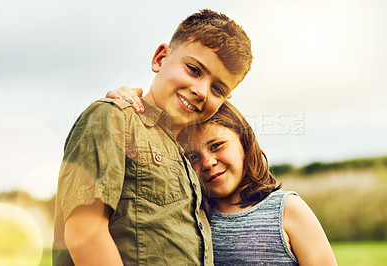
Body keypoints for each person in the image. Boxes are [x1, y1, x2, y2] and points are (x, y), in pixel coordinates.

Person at [53, 9, 253, 266]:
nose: (201, 91)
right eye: (193, 70)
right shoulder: (114, 118)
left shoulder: (186, 158)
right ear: (160, 58)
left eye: (218, 89)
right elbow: (85, 232)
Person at [108, 89, 337, 265]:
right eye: (192, 156)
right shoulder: (183, 216)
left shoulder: (287, 210)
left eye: (217, 145)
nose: (208, 162)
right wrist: (124, 108)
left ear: (244, 141)